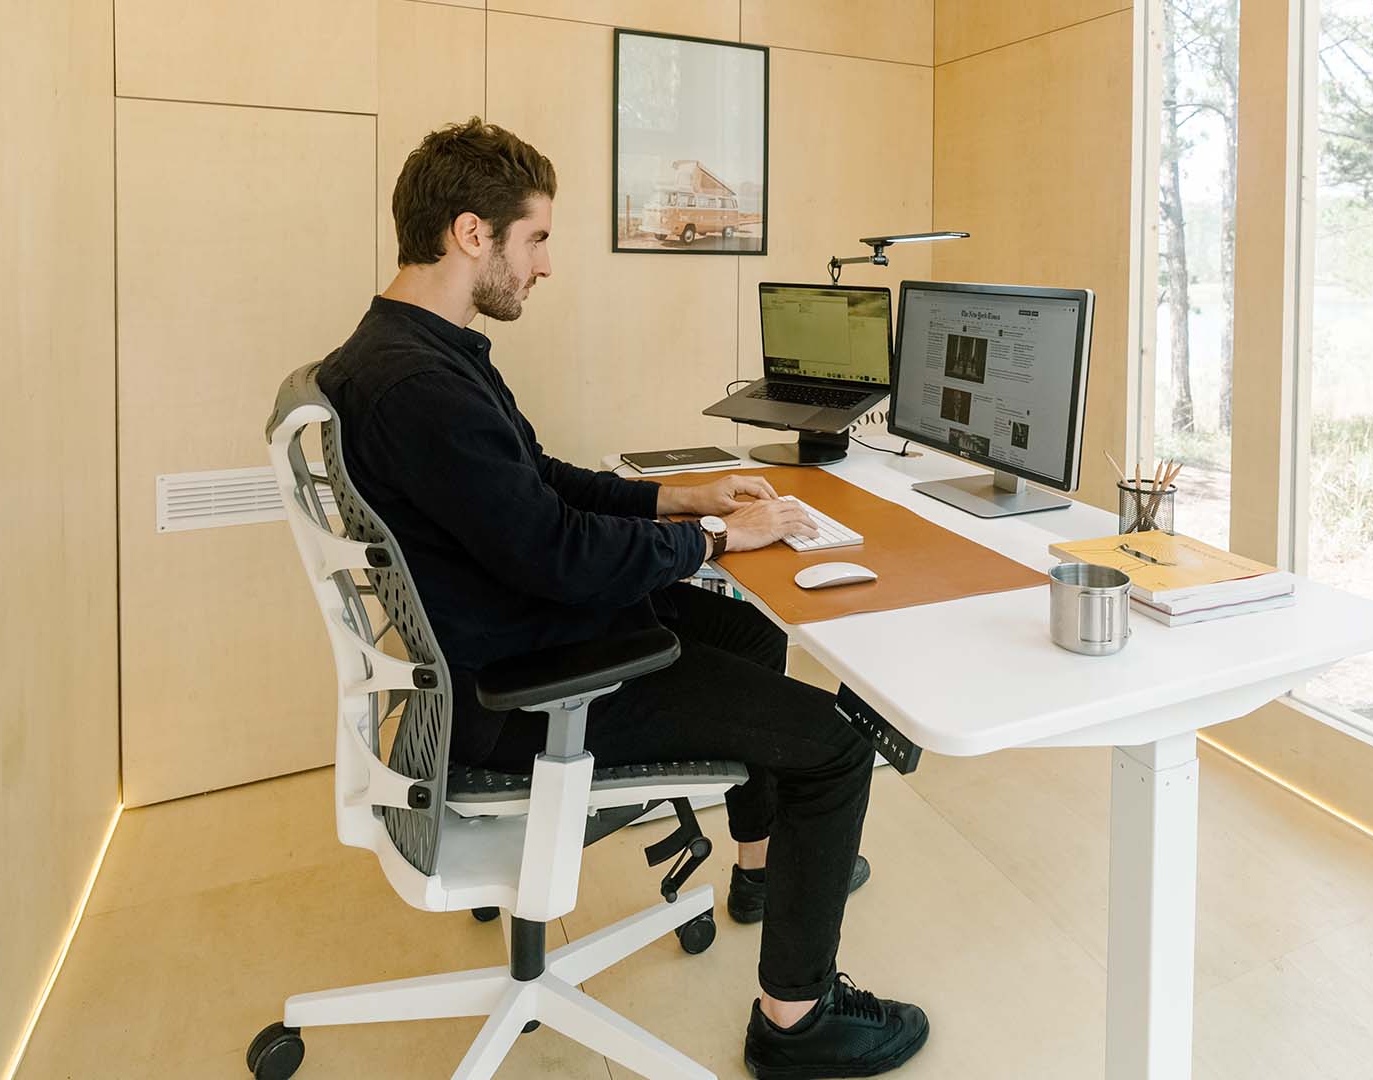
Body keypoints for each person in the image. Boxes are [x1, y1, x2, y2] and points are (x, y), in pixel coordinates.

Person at [315, 118, 928, 1078]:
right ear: (473, 234)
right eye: (539, 239)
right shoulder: (415, 386)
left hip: (503, 641)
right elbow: (556, 553)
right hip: (526, 688)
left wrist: (679, 497)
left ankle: (766, 869)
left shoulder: (414, 350)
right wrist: (719, 538)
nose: (547, 266)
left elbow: (534, 482)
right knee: (836, 748)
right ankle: (797, 1023)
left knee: (739, 622)